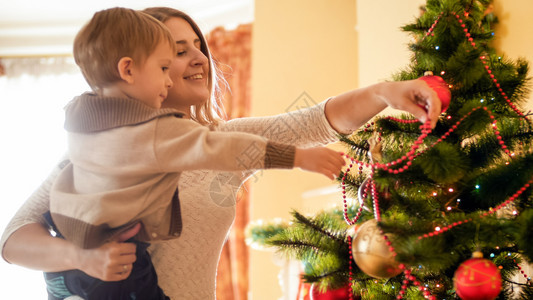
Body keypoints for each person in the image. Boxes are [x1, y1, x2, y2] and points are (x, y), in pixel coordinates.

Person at [0, 6, 443, 300]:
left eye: (199, 46)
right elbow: (13, 238)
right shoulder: (100, 151)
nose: (199, 58)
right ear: (134, 66)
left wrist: (385, 92)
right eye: (177, 50)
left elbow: (315, 121)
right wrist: (83, 258)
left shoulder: (225, 142)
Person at [40, 6, 345, 300]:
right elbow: (223, 147)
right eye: (168, 63)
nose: (171, 77)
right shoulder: (155, 129)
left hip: (68, 264)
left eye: (198, 48)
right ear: (128, 68)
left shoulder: (81, 119)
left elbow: (316, 120)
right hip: (120, 258)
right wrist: (298, 158)